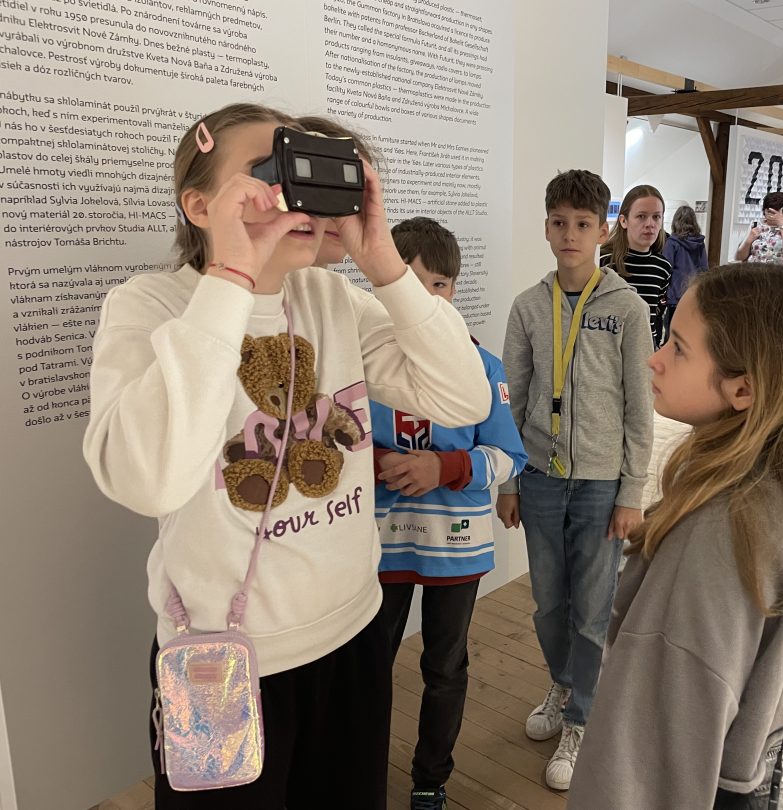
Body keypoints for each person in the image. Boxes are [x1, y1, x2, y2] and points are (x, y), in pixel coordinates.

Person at [82, 103, 491, 809]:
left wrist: (383, 261)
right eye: (267, 172)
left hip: (353, 636)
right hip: (219, 662)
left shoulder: (330, 297)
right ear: (199, 205)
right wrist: (232, 276)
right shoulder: (149, 306)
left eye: (299, 170)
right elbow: (147, 481)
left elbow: (463, 397)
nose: (291, 194)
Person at [567, 263, 783, 810]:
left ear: (744, 388)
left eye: (678, 348)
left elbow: (652, 748)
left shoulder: (722, 532)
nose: (655, 359)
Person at [496, 169, 654, 791]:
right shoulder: (528, 306)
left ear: (603, 231)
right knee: (549, 603)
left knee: (592, 609)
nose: (570, 234)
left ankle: (583, 718)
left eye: (583, 224)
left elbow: (639, 407)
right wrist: (508, 481)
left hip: (599, 484)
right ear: (546, 228)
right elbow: (512, 397)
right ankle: (563, 685)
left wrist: (631, 491)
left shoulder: (627, 308)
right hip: (538, 477)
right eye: (559, 223)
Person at [370, 217, 527, 810]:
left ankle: (430, 781)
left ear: (453, 290)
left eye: (437, 286)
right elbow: (333, 441)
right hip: (379, 546)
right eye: (411, 286)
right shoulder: (362, 360)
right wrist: (378, 461)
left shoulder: (482, 365)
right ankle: (362, 774)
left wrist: (447, 468)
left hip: (455, 548)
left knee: (445, 667)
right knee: (368, 667)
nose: (426, 301)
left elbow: (509, 457)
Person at [295, 114, 383, 271]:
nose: (341, 215)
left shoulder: (339, 286)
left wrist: (380, 259)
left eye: (353, 193)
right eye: (323, 189)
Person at [600, 184, 672, 346]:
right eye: (641, 216)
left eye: (656, 217)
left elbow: (655, 313)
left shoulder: (663, 267)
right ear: (624, 221)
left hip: (646, 345)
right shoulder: (604, 261)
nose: (650, 224)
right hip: (610, 345)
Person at [660, 204, 708, 343]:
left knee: (671, 330)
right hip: (693, 293)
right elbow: (704, 269)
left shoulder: (672, 243)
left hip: (675, 294)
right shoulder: (700, 243)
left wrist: (663, 292)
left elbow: (665, 268)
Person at [735, 191, 783, 264]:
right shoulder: (755, 225)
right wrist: (749, 240)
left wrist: (781, 223)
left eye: (774, 212)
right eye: (768, 211)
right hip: (753, 268)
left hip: (777, 270)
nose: (771, 216)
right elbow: (739, 257)